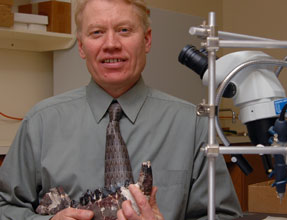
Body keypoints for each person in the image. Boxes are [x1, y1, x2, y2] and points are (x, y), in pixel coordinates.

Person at [0, 0, 242, 219]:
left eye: (124, 30)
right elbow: (5, 206)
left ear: (146, 40)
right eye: (97, 32)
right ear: (82, 46)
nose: (111, 44)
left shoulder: (193, 125)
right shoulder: (40, 123)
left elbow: (225, 216)